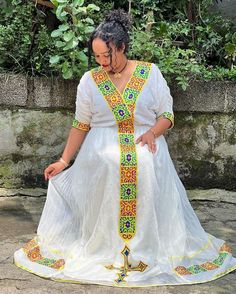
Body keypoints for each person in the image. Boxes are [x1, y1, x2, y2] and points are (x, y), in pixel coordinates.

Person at [14, 9, 236, 287]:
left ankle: (146, 248)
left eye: (107, 56)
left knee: (142, 165)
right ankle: (104, 248)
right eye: (96, 57)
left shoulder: (150, 73)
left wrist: (154, 133)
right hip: (100, 155)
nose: (102, 62)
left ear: (122, 47)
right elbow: (81, 124)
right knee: (107, 167)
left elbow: (167, 115)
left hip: (145, 147)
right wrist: (63, 160)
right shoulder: (89, 81)